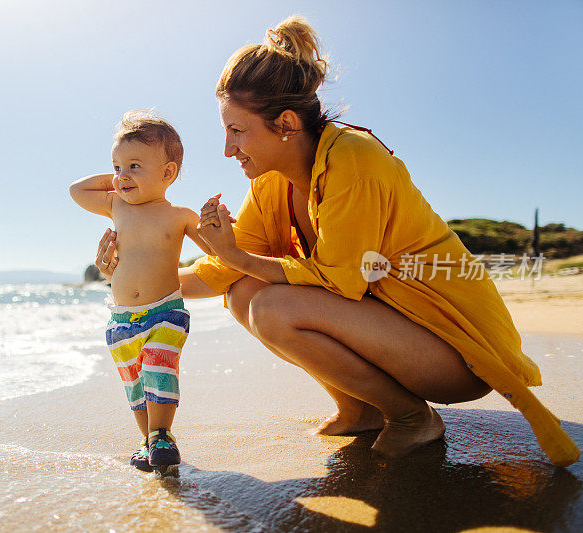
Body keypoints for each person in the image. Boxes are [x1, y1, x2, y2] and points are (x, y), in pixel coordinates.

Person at [95, 17, 579, 466]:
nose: (228, 148)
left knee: (272, 308)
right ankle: (362, 409)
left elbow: (346, 279)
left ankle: (412, 416)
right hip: (396, 333)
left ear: (286, 124)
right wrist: (135, 280)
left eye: (237, 130)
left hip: (454, 348)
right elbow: (227, 270)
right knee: (244, 293)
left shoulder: (354, 160)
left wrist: (237, 255)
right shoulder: (270, 182)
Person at [69, 110, 214, 472]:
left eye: (134, 166)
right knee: (135, 384)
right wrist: (124, 175)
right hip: (120, 319)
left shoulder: (180, 215)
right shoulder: (116, 204)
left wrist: (215, 223)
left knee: (159, 367)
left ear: (168, 174)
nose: (121, 176)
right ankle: (148, 438)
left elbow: (216, 249)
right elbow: (77, 190)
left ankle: (163, 432)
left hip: (166, 311)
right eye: (116, 167)